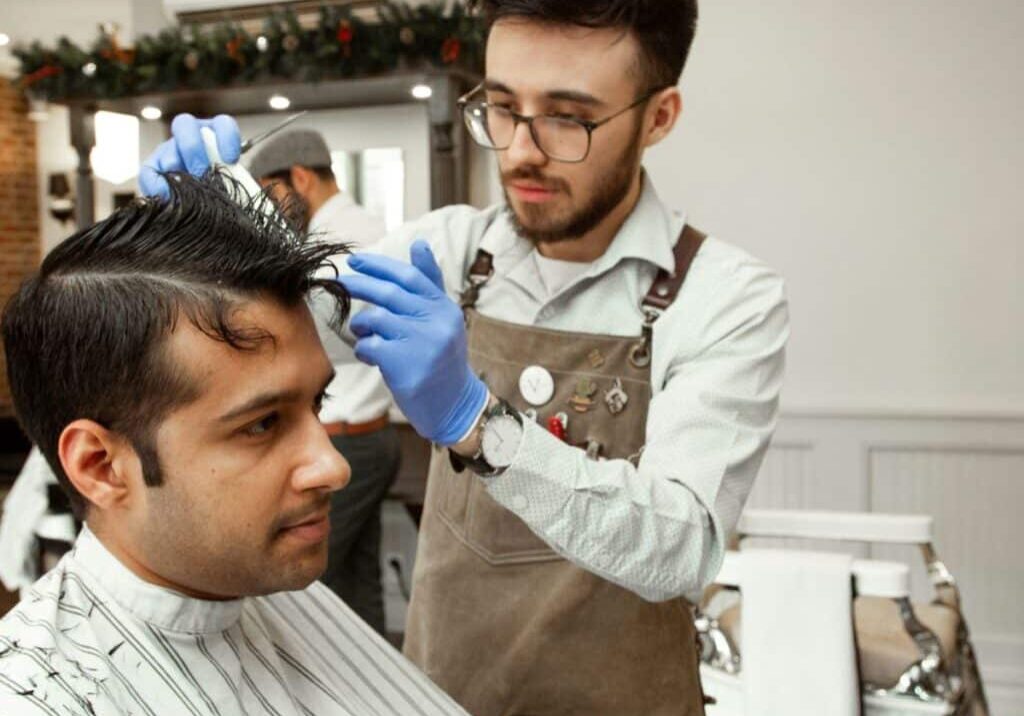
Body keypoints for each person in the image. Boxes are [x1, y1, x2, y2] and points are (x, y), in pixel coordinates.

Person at [141, 0, 790, 712]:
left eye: (568, 117)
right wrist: (211, 221)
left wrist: (478, 422)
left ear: (658, 116)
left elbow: (680, 548)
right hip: (442, 693)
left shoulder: (725, 296)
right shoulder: (451, 253)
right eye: (503, 108)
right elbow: (295, 322)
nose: (519, 151)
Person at [0, 172, 466, 716]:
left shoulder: (273, 587)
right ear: (102, 466)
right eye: (262, 424)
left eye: (317, 404)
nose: (332, 467)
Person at [248, 129, 399, 636]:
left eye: (270, 194)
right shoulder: (370, 225)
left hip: (347, 441)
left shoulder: (339, 243)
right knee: (359, 586)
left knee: (307, 598)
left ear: (302, 177)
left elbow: (304, 342)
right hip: (369, 437)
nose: (269, 210)